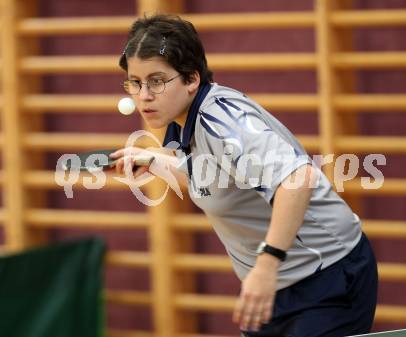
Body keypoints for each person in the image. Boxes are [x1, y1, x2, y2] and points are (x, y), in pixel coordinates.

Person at [110, 14, 378, 337]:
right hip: (277, 286)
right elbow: (222, 182)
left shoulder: (221, 122)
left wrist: (266, 264)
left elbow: (297, 178)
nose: (143, 95)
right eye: (135, 82)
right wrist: (156, 162)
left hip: (328, 275)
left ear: (191, 79)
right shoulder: (185, 125)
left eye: (156, 81)